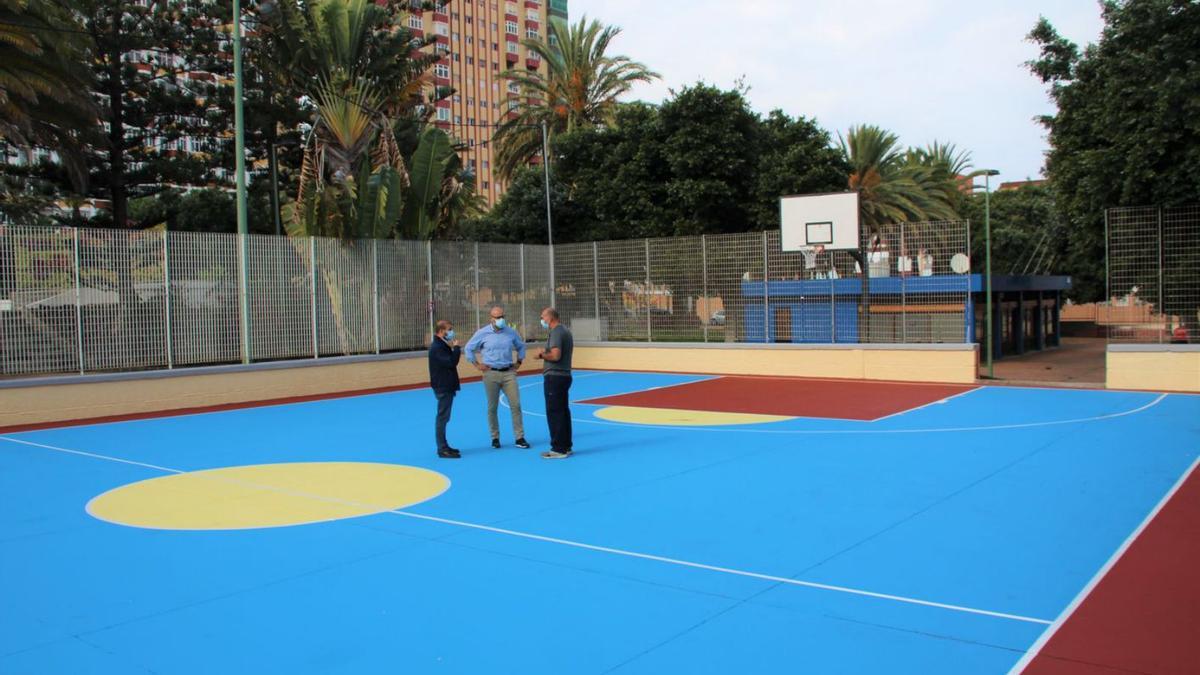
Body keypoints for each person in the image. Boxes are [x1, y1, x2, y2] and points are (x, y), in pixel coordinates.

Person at [464, 305, 530, 449]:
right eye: (497, 317)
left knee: (516, 405)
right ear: (491, 319)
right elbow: (468, 348)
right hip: (491, 373)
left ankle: (519, 437)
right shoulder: (482, 333)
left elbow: (521, 346)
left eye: (502, 317)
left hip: (508, 373)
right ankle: (495, 437)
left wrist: (519, 361)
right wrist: (476, 364)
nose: (501, 319)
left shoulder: (511, 332)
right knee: (492, 407)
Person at [535, 307, 574, 459]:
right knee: (563, 411)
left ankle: (558, 448)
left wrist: (541, 355)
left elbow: (556, 355)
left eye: (543, 317)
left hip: (555, 376)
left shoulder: (557, 332)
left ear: (550, 318)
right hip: (564, 376)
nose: (542, 320)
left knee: (555, 411)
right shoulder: (565, 330)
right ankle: (566, 445)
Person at [428, 320, 462, 459]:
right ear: (441, 331)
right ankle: (442, 448)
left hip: (445, 385)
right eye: (449, 329)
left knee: (444, 417)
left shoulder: (441, 345)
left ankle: (444, 445)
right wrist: (457, 348)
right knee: (442, 417)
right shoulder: (437, 347)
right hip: (443, 386)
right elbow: (451, 362)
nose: (451, 331)